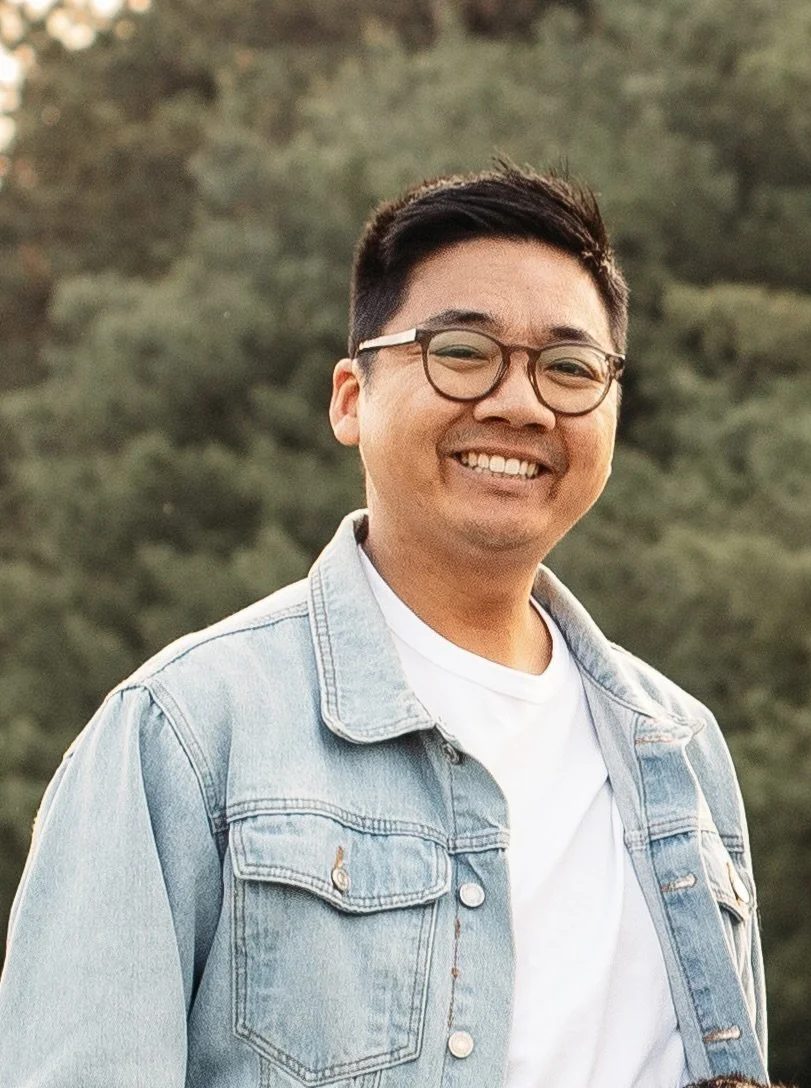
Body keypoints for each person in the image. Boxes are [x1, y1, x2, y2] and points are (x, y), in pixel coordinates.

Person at [0, 164, 768, 1087]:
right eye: (461, 350)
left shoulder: (681, 749)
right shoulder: (184, 734)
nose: (521, 404)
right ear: (350, 399)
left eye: (569, 368)